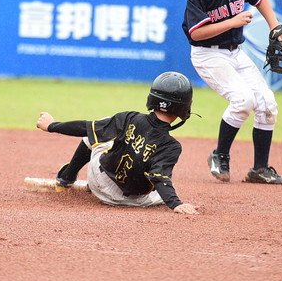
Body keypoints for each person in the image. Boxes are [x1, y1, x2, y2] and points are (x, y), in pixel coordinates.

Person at [182, 0, 282, 185]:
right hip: (208, 56)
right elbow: (197, 34)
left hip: (235, 53)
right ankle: (219, 154)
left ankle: (260, 169)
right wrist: (232, 22)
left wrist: (274, 26)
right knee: (243, 99)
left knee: (267, 104)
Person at [36, 72, 200, 215]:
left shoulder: (129, 118)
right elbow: (159, 177)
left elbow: (84, 128)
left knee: (97, 129)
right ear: (183, 108)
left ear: (152, 99)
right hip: (131, 202)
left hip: (98, 181)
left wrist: (51, 125)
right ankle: (72, 179)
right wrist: (176, 204)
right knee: (160, 180)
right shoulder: (171, 147)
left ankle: (66, 178)